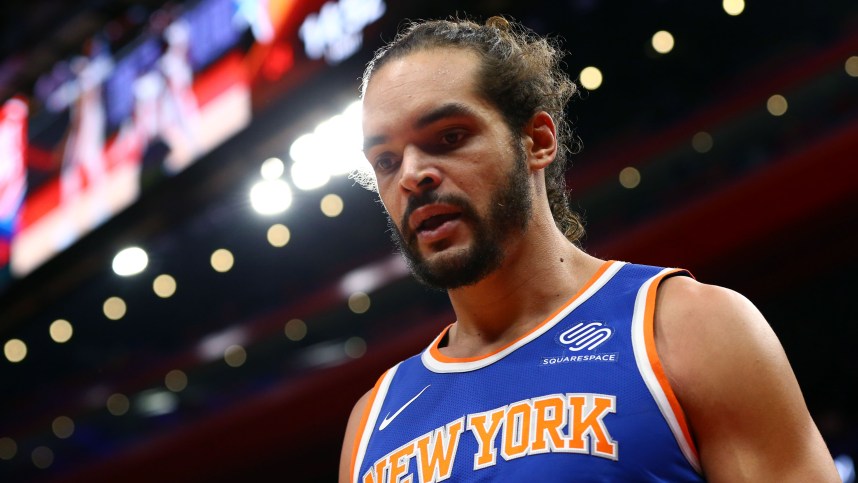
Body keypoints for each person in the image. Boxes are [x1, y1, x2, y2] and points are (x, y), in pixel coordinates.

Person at [339, 15, 839, 483]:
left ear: (536, 140)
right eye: (385, 160)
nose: (411, 175)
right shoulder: (372, 424)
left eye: (448, 137)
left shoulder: (689, 327)